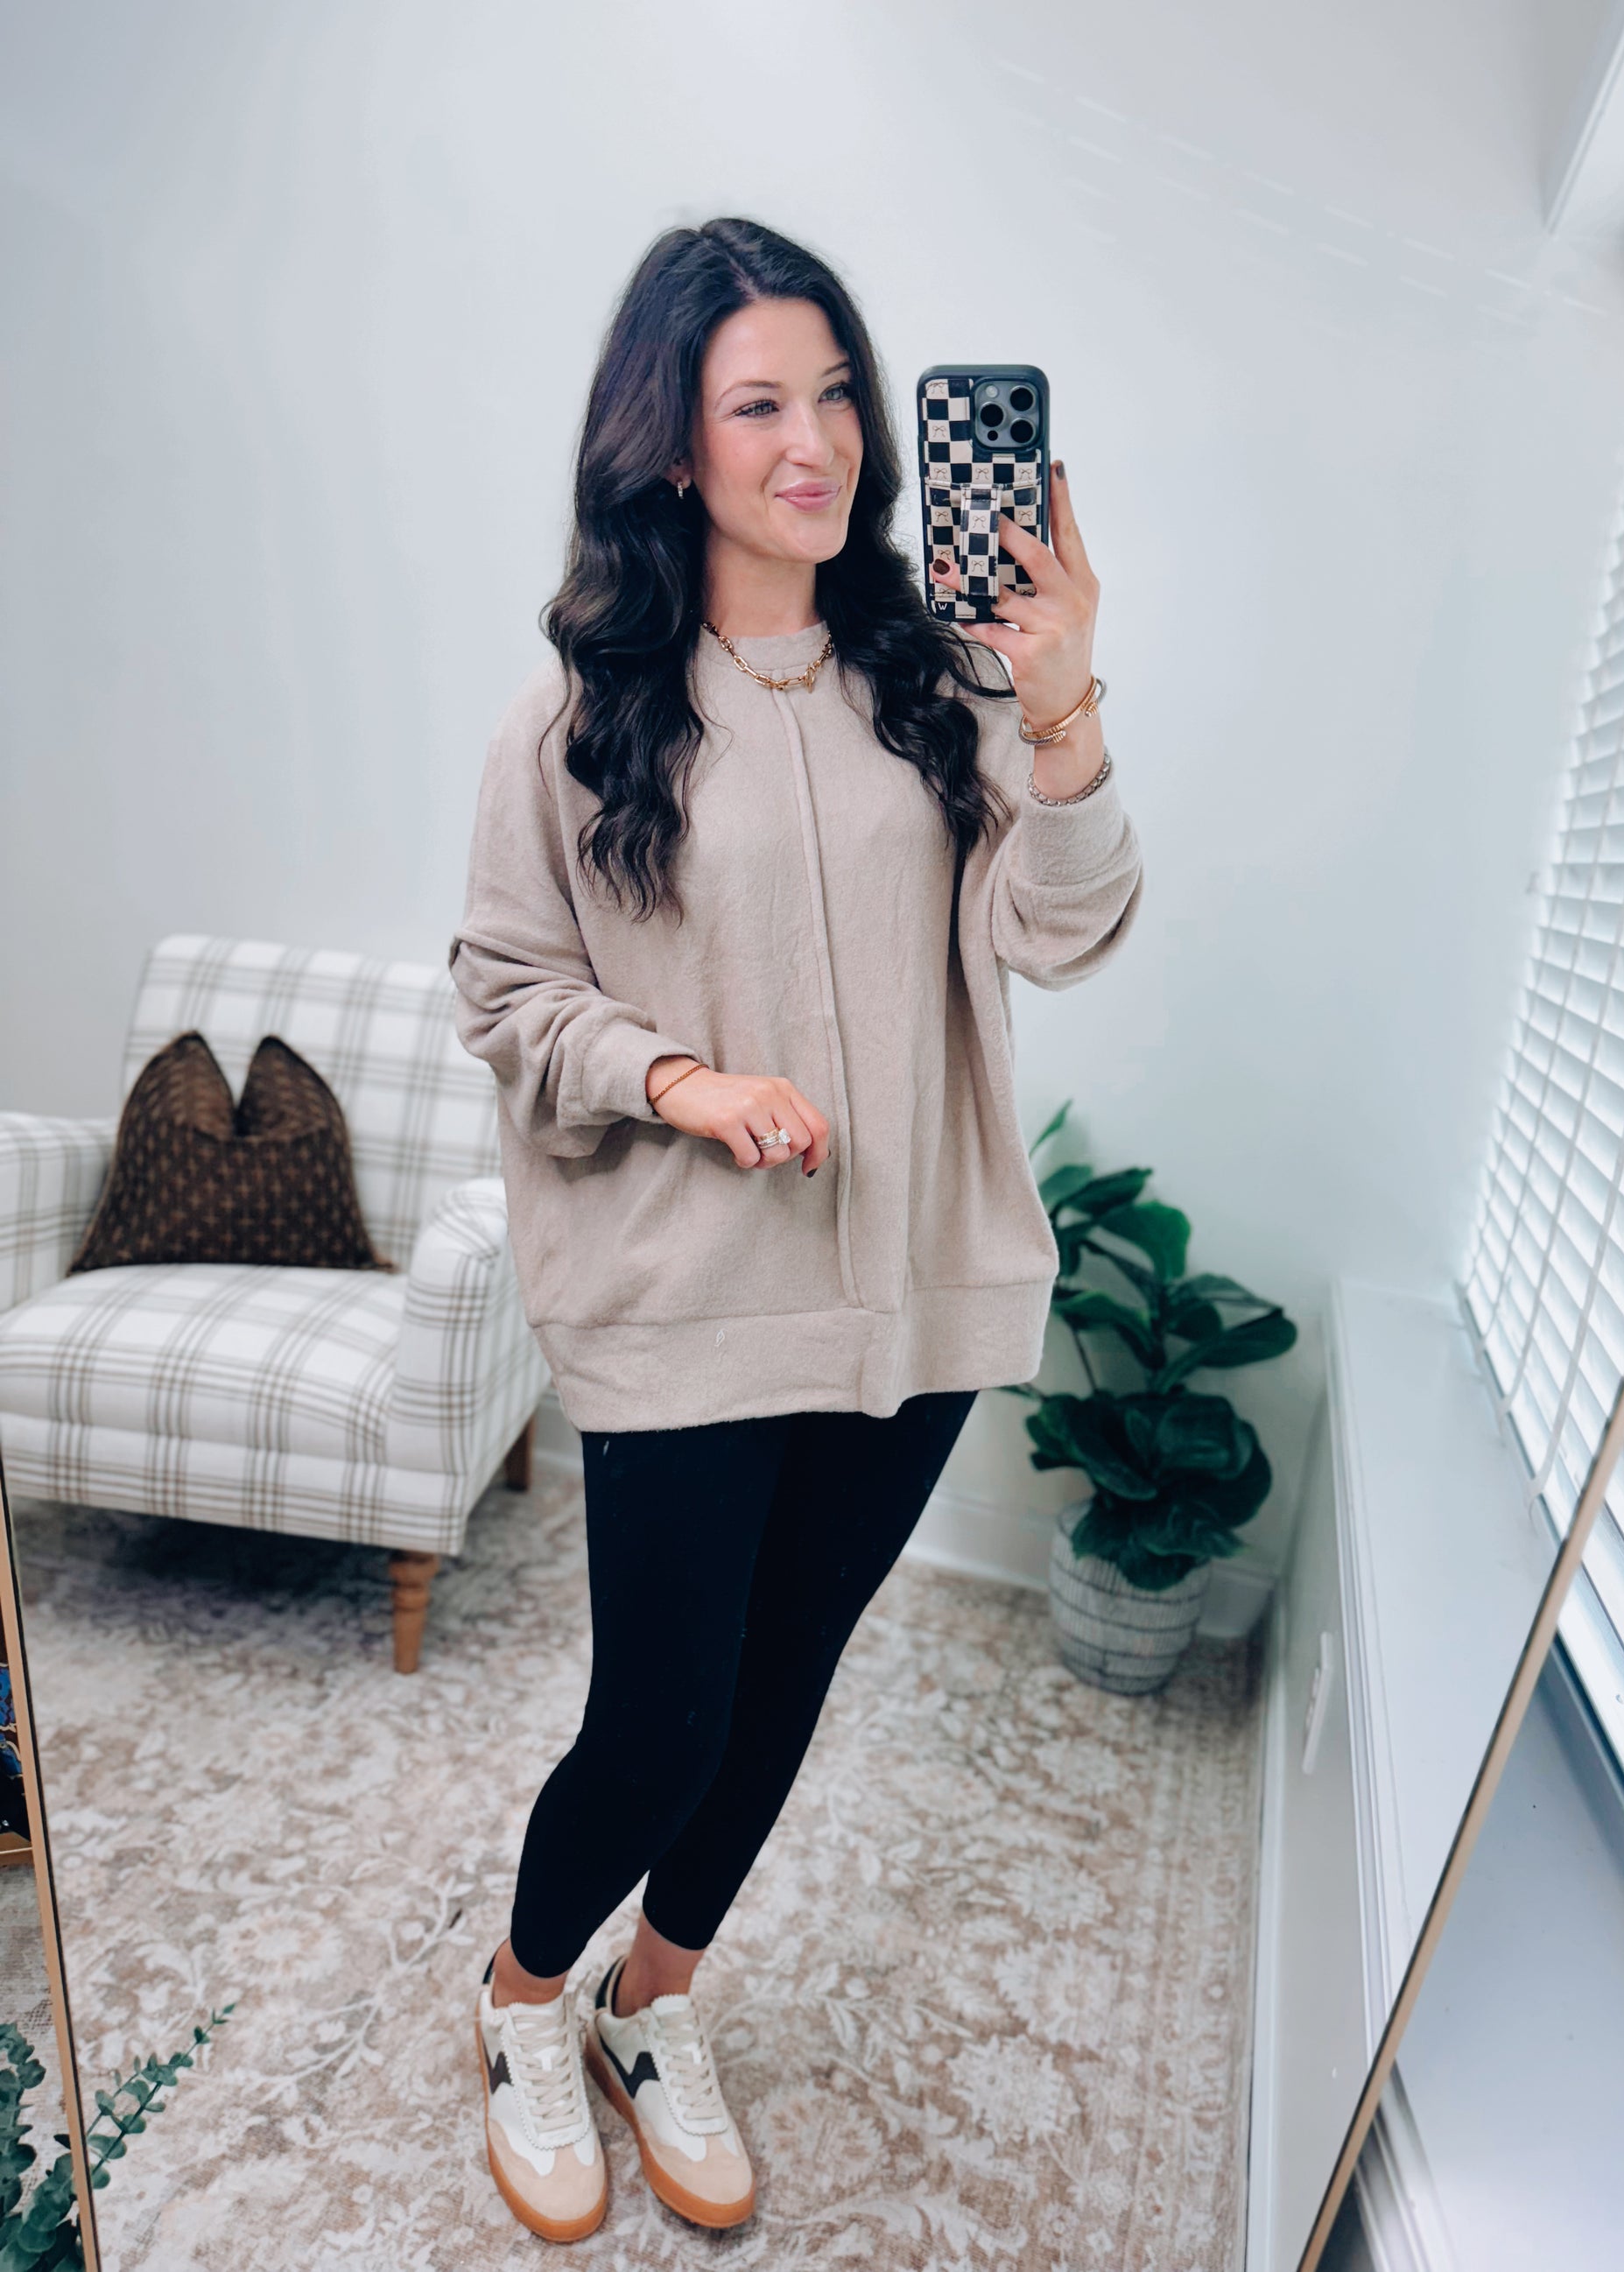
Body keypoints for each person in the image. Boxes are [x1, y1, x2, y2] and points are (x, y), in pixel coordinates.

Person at [447, 215, 1142, 2245]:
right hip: (689, 1297)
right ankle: (522, 1997)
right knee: (660, 1713)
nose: (816, 440)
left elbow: (1064, 926)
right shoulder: (577, 716)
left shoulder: (938, 679)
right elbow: (505, 985)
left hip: (914, 1290)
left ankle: (651, 2000)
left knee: (778, 1691)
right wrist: (678, 1077)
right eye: (760, 402)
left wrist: (1064, 705)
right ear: (671, 442)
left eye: (836, 392)